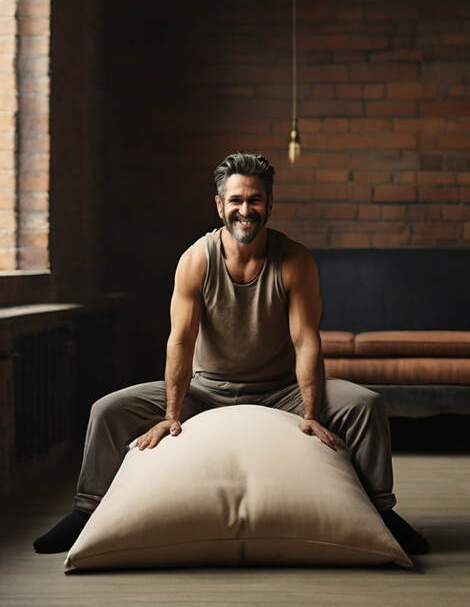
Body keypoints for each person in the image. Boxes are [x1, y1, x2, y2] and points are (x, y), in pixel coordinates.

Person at [34, 152, 428, 556]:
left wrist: (310, 413)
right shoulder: (196, 260)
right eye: (236, 200)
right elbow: (181, 341)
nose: (246, 210)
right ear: (220, 205)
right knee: (107, 410)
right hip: (204, 391)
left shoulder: (294, 260)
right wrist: (172, 414)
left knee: (366, 404)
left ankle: (382, 513)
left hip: (281, 391)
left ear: (270, 204)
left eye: (255, 200)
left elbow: (306, 340)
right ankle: (86, 512)